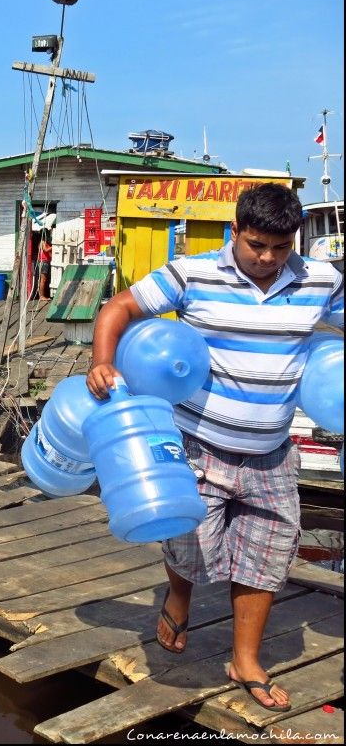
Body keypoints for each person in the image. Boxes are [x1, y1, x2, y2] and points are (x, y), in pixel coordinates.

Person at [86, 183, 344, 714]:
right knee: (188, 542)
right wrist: (101, 361)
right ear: (235, 232)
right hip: (197, 445)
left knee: (267, 555)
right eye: (256, 245)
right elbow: (119, 307)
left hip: (272, 451)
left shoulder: (321, 281)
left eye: (280, 247)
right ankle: (179, 597)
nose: (269, 258)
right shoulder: (193, 274)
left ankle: (245, 659)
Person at [37, 233, 53, 300]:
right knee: (43, 280)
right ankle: (41, 296)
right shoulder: (42, 242)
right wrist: (54, 246)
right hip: (43, 262)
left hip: (45, 262)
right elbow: (45, 249)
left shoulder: (44, 242)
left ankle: (42, 295)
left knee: (44, 279)